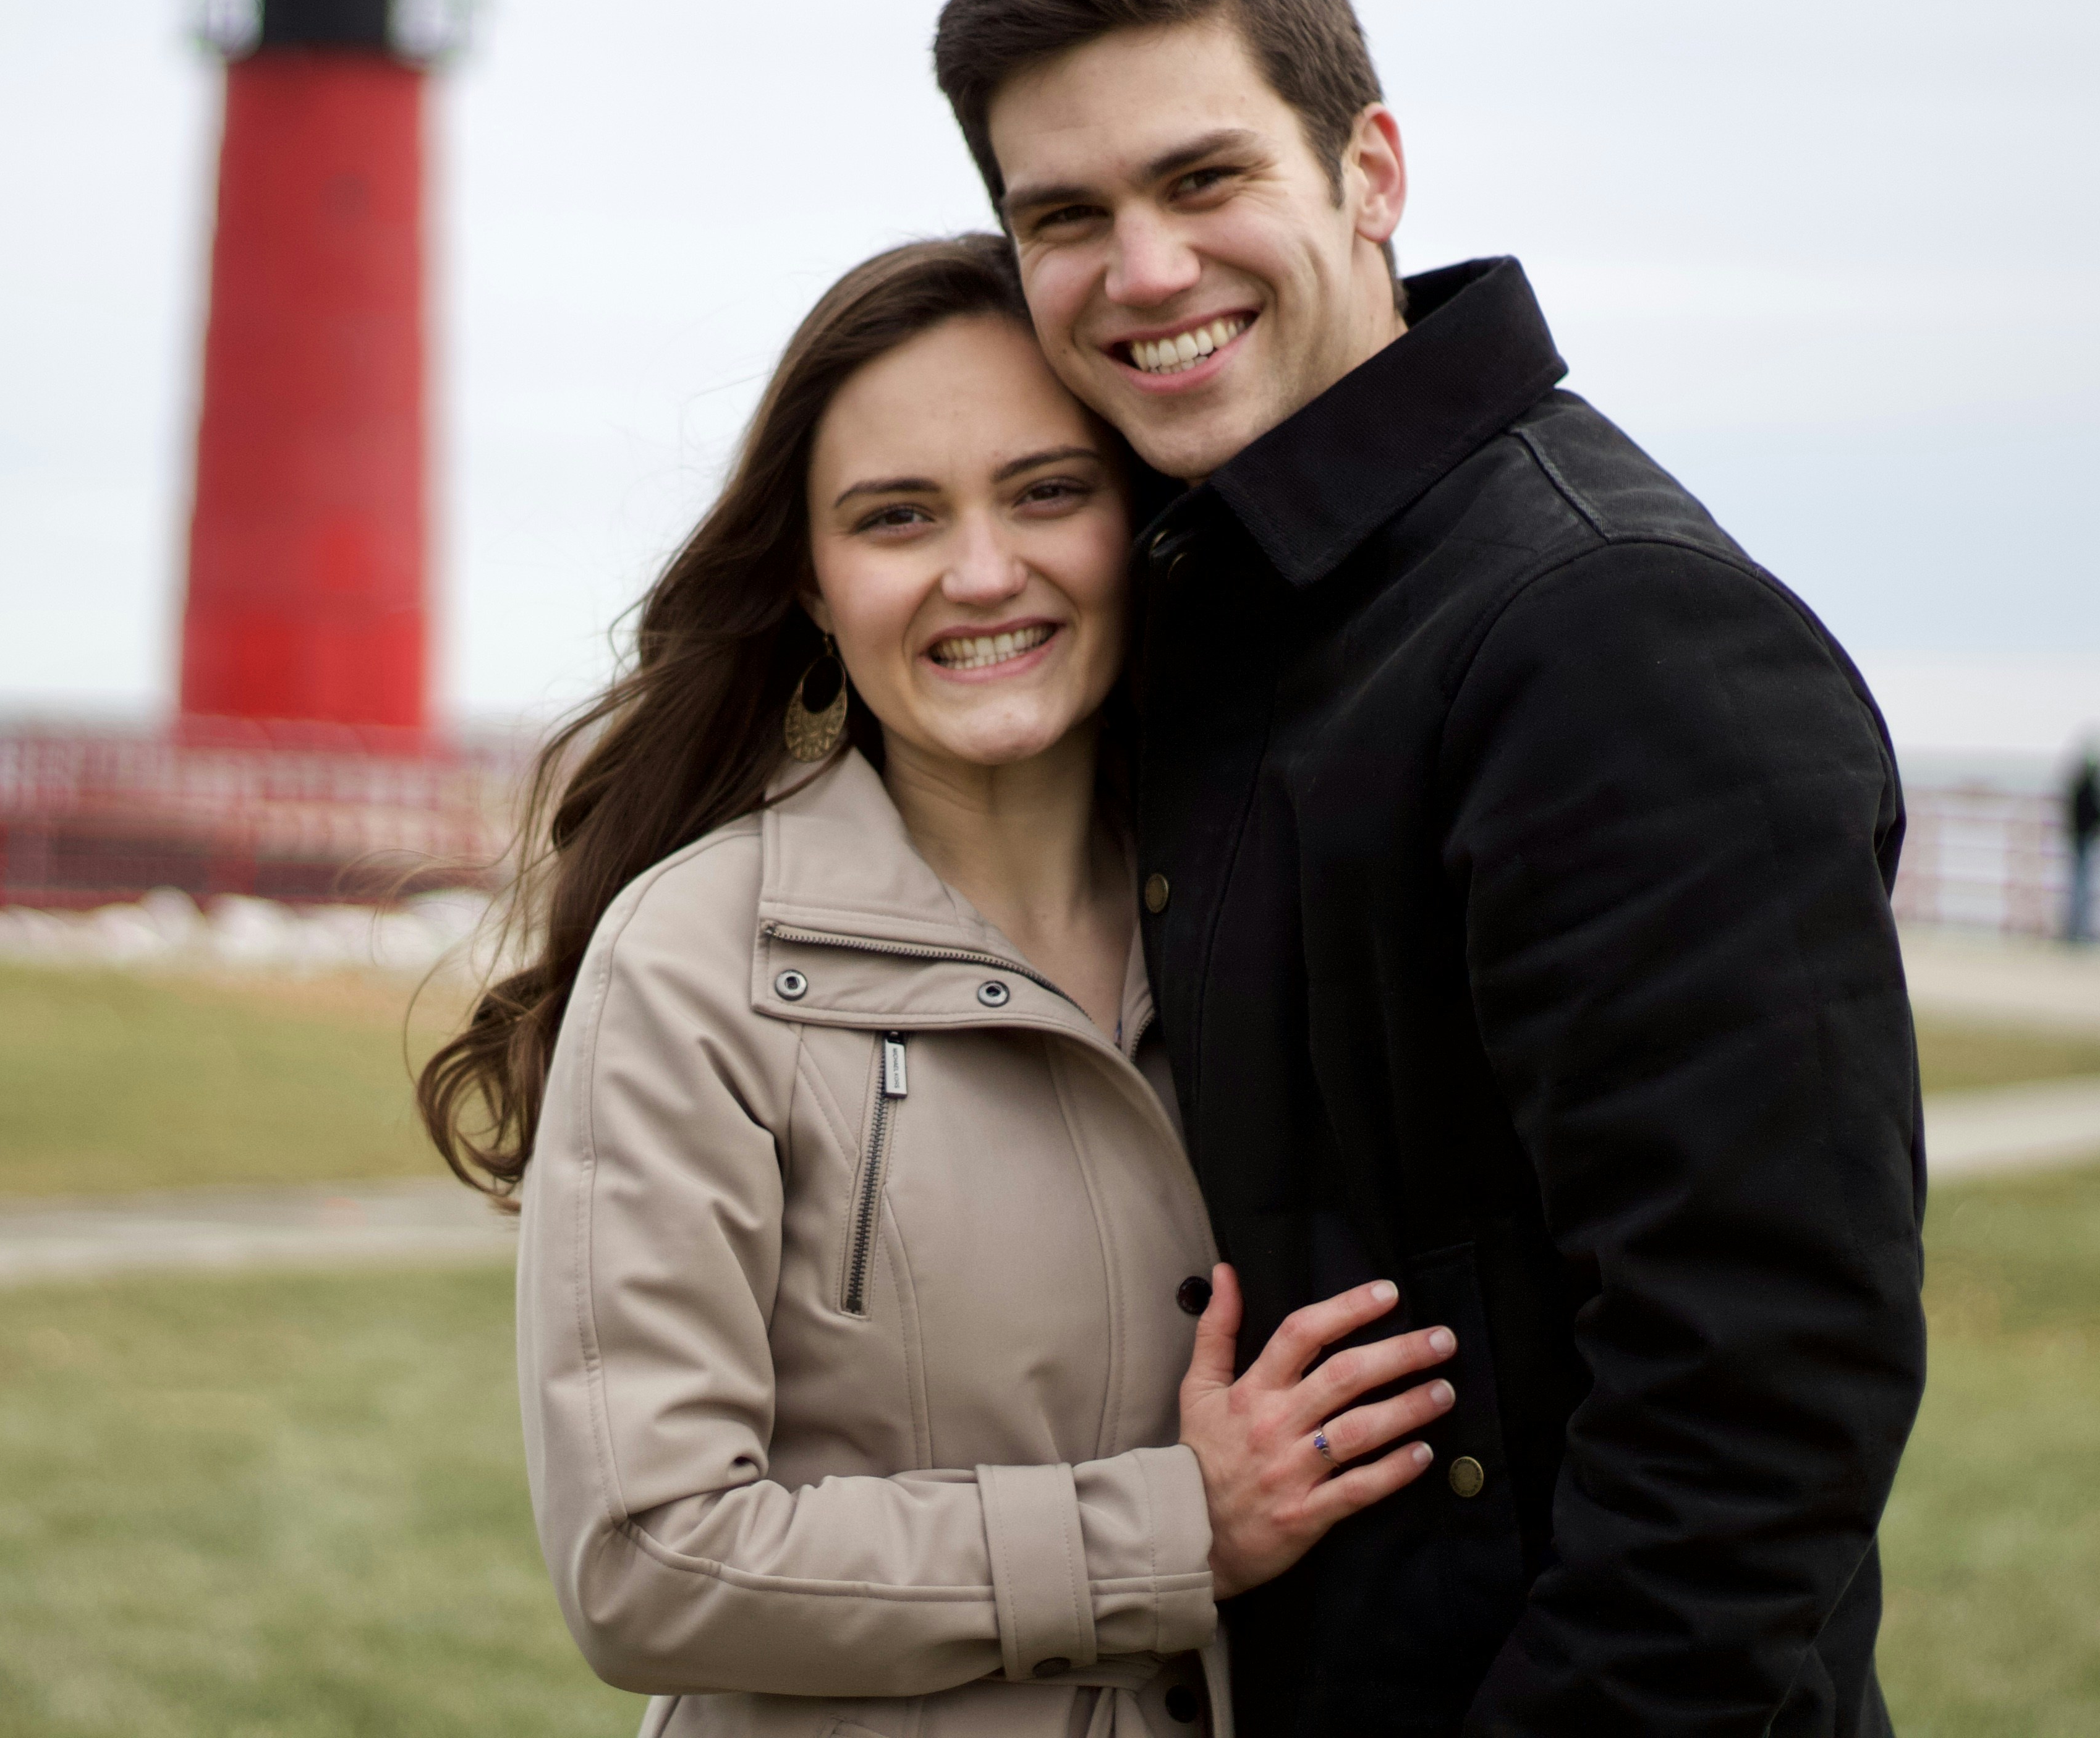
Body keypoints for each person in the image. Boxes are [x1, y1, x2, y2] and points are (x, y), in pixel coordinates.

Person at [931, 0, 1928, 1736]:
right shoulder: (1218, 610)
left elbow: (1760, 1407)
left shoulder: (1610, 630)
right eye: (1065, 216)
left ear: (1369, 173)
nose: (1143, 273)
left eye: (1205, 180)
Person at [419, 236, 1460, 1737]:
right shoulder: (694, 959)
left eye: (1046, 490)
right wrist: (1174, 1532)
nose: (982, 572)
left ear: (1139, 516)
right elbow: (645, 1560)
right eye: (896, 517)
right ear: (812, 579)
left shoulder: (1281, 905)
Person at [2061, 731, 2100, 945]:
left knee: (2080, 888)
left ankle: (2076, 930)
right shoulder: (2089, 782)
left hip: (2080, 837)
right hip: (2084, 838)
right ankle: (2079, 931)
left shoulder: (2079, 780)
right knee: (2083, 888)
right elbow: (2099, 808)